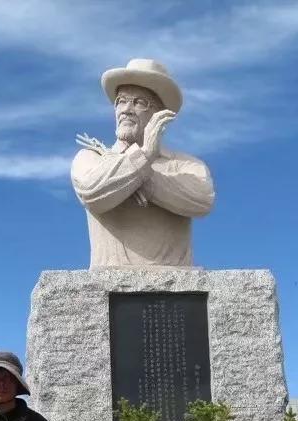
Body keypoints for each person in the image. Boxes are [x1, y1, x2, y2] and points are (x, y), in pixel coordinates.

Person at [71, 58, 216, 269]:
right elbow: (93, 192)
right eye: (121, 101)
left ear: (159, 115)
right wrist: (144, 156)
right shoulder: (91, 158)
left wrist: (140, 173)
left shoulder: (187, 166)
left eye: (139, 102)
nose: (126, 109)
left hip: (176, 280)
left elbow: (202, 201)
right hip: (109, 279)